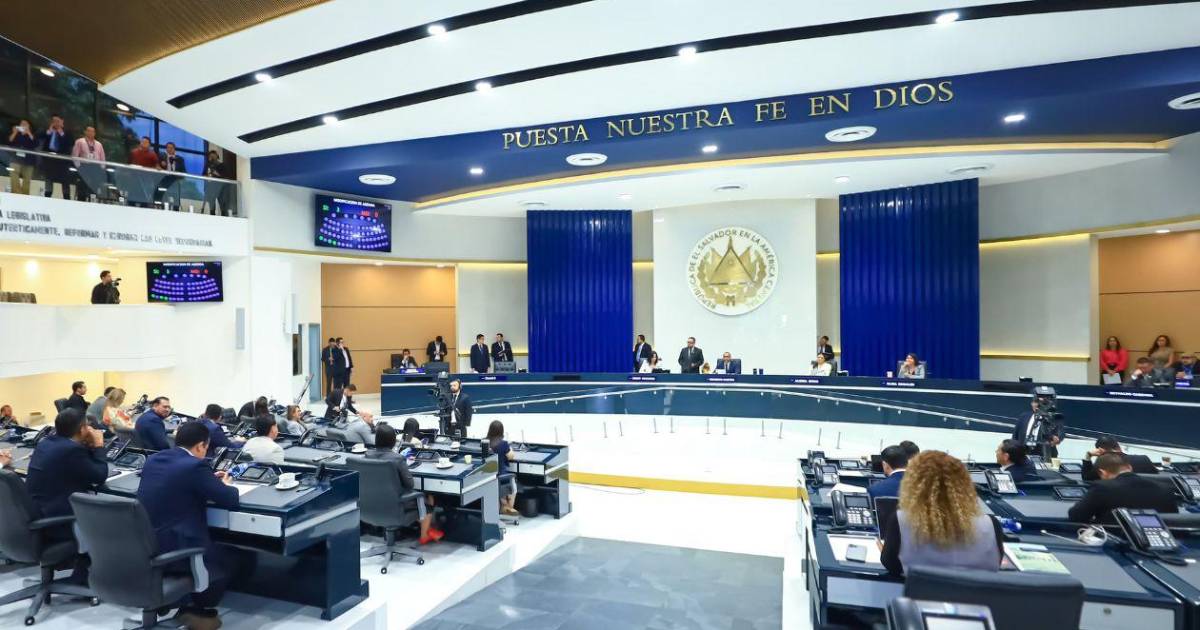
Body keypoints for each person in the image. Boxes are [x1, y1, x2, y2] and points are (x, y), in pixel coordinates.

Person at [137, 421, 239, 629]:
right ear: (201, 446)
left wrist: (208, 480)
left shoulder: (154, 459)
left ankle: (181, 602)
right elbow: (229, 499)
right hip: (179, 549)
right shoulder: (195, 466)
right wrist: (225, 484)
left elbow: (176, 483)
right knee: (232, 556)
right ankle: (197, 609)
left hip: (146, 545)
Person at [879, 450, 1003, 576]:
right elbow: (996, 564)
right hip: (976, 589)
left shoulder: (902, 520)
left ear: (914, 484)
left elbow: (891, 565)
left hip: (920, 588)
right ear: (964, 484)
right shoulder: (991, 525)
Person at [24, 409, 107, 583]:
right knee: (108, 519)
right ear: (82, 429)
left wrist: (87, 446)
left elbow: (74, 466)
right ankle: (84, 574)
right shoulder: (71, 450)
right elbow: (99, 475)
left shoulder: (46, 443)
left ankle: (81, 569)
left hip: (36, 515)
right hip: (57, 523)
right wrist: (99, 445)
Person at [366, 424, 443, 544]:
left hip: (371, 505)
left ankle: (428, 530)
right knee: (427, 499)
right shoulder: (397, 459)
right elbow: (410, 484)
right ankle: (424, 535)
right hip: (396, 506)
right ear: (393, 441)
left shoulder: (367, 455)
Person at [1067, 453, 1179, 523]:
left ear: (1102, 472)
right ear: (1129, 467)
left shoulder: (1102, 488)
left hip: (1115, 543)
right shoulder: (1165, 488)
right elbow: (1174, 521)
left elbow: (1076, 516)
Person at [1081, 436, 1158, 481]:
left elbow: (1087, 478)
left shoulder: (1102, 464)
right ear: (1118, 446)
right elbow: (1157, 478)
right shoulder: (1144, 459)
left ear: (1100, 450)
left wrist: (1088, 455)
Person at [487, 420, 520, 516]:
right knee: (513, 486)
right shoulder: (503, 444)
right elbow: (511, 456)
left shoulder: (484, 442)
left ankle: (504, 505)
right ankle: (509, 508)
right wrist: (510, 448)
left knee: (499, 486)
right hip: (501, 476)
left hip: (488, 477)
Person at [38, 114, 73, 199]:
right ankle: (48, 196)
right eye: (54, 121)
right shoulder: (48, 131)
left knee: (65, 181)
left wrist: (61, 133)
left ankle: (66, 198)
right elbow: (38, 137)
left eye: (57, 121)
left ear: (62, 122)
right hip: (49, 160)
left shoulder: (67, 132)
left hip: (62, 162)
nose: (55, 123)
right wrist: (49, 131)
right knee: (49, 179)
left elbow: (69, 143)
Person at [70, 125, 106, 201]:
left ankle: (92, 203)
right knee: (82, 188)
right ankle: (81, 202)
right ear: (85, 132)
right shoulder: (80, 141)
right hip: (84, 167)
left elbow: (102, 158)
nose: (91, 133)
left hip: (95, 168)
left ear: (95, 133)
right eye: (89, 131)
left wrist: (101, 169)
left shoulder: (99, 144)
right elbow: (75, 156)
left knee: (94, 188)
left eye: (92, 131)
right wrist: (79, 167)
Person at [8, 118, 38, 194]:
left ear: (29, 126)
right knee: (14, 176)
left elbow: (36, 144)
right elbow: (10, 141)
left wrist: (28, 132)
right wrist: (14, 132)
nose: (23, 125)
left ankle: (25, 196)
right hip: (16, 159)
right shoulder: (16, 133)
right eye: (21, 124)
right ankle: (16, 194)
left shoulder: (32, 134)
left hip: (29, 160)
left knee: (27, 179)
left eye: (25, 124)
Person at [156, 142, 186, 209]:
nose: (169, 149)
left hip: (175, 181)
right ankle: (161, 208)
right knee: (162, 195)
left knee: (176, 197)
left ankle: (176, 210)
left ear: (174, 149)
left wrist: (180, 177)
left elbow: (184, 172)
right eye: (168, 147)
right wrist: (158, 165)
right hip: (164, 179)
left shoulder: (180, 159)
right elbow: (156, 164)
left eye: (171, 148)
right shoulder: (161, 156)